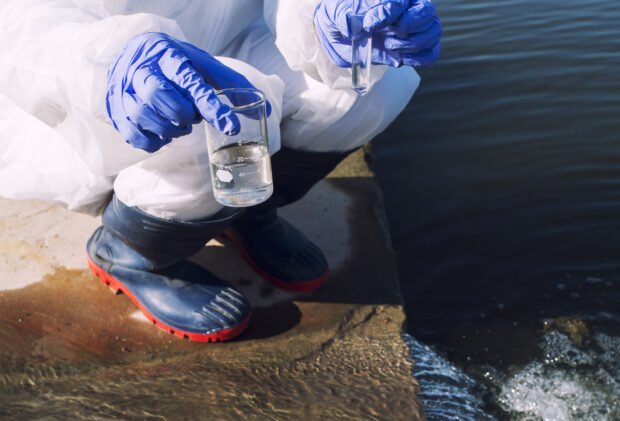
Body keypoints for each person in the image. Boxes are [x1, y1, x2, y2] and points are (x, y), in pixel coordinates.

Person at [0, 0, 442, 342]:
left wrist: (335, 16)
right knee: (208, 122)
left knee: (369, 85)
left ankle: (246, 211)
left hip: (228, 43)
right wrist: (111, 63)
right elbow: (23, 30)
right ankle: (135, 252)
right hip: (89, 86)